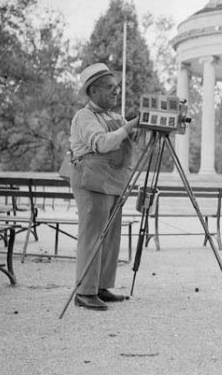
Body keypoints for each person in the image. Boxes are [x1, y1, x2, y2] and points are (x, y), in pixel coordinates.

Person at [70, 63, 139, 311]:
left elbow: (129, 139)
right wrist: (128, 127)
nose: (115, 92)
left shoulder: (114, 116)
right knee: (92, 236)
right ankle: (84, 292)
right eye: (110, 88)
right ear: (93, 91)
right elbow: (101, 143)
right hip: (90, 182)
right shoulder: (84, 116)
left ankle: (100, 286)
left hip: (112, 181)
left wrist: (146, 127)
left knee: (110, 237)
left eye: (116, 88)